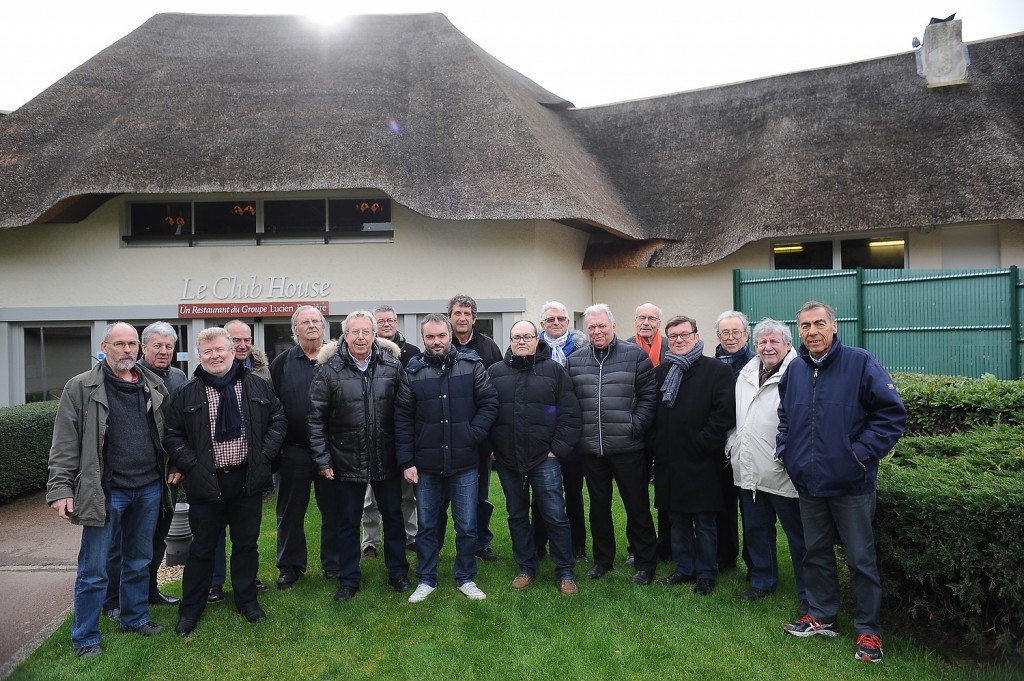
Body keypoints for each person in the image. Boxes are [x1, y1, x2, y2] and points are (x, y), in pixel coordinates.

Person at [778, 301, 907, 664]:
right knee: (815, 553)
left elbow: (891, 414)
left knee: (860, 559)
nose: (812, 331)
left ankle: (869, 631)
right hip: (809, 483)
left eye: (819, 323)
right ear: (799, 331)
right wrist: (787, 450)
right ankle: (821, 615)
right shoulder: (796, 370)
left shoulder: (860, 362)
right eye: (805, 325)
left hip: (852, 483)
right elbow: (785, 415)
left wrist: (859, 454)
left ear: (834, 327)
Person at [47, 322, 174, 658]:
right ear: (104, 347)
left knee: (138, 561)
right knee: (94, 569)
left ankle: (134, 618)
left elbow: (166, 436)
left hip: (148, 488)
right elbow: (64, 443)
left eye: (132, 344)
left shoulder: (152, 384)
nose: (128, 350)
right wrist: (60, 488)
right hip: (106, 491)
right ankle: (86, 638)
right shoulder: (82, 387)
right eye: (120, 344)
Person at [165, 327, 286, 637]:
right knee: (202, 549)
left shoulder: (257, 385)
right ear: (199, 356)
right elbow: (173, 434)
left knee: (246, 546)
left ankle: (247, 601)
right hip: (207, 482)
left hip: (247, 479)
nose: (215, 356)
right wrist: (192, 465)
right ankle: (190, 610)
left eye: (220, 349)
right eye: (208, 352)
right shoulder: (187, 393)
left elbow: (278, 421)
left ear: (233, 351)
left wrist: (265, 454)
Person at [308, 311, 413, 602]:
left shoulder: (392, 366)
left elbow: (404, 413)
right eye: (354, 332)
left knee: (393, 517)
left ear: (374, 334)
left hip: (386, 458)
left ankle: (398, 573)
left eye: (366, 331)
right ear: (345, 335)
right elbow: (316, 418)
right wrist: (323, 460)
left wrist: (405, 457)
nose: (360, 337)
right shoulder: (329, 370)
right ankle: (349, 579)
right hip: (345, 460)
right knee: (347, 522)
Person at [396, 313, 498, 603]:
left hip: (465, 462)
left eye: (441, 336)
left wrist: (472, 433)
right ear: (423, 339)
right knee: (427, 525)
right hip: (425, 466)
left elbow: (489, 403)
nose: (436, 342)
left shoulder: (471, 365)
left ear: (450, 335)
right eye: (430, 337)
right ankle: (426, 579)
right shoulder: (412, 372)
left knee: (466, 525)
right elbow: (402, 419)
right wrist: (407, 461)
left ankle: (465, 577)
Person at [566, 304, 658, 585]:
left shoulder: (635, 356)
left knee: (637, 506)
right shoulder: (576, 360)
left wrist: (634, 425)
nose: (597, 331)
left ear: (613, 326)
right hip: (591, 450)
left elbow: (648, 397)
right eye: (591, 327)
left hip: (628, 447)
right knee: (599, 507)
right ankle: (602, 560)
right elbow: (569, 404)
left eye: (602, 326)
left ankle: (645, 563)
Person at [488, 320, 582, 595]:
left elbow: (569, 413)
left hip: (545, 458)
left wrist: (557, 449)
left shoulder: (554, 371)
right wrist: (492, 447)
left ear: (536, 339)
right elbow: (485, 412)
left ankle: (564, 571)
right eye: (516, 337)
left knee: (555, 514)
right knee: (517, 515)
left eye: (527, 336)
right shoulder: (495, 372)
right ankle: (526, 567)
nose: (521, 341)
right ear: (510, 340)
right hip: (507, 458)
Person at [103, 322, 188, 621]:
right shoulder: (130, 376)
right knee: (120, 545)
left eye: (169, 346)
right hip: (128, 480)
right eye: (157, 346)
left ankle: (148, 589)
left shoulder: (178, 377)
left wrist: (178, 464)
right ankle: (113, 599)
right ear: (143, 347)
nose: (163, 351)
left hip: (165, 476)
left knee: (155, 538)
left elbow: (181, 428)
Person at [651, 316, 735, 596]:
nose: (678, 340)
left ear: (696, 336)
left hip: (702, 461)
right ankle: (684, 569)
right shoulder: (662, 372)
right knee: (677, 519)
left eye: (684, 334)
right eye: (673, 335)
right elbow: (655, 414)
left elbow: (724, 415)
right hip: (669, 460)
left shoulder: (716, 371)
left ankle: (707, 574)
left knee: (705, 521)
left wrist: (702, 444)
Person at [727, 318, 807, 611]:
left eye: (774, 341)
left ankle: (808, 593)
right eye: (762, 341)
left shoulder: (798, 372)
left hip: (784, 471)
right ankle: (762, 581)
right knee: (757, 531)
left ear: (787, 345)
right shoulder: (746, 372)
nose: (768, 347)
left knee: (799, 538)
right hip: (749, 469)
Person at [268, 306, 341, 591]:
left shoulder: (338, 360)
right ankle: (290, 566)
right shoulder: (282, 363)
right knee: (289, 512)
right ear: (294, 330)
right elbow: (272, 407)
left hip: (332, 451)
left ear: (324, 328)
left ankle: (334, 564)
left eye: (316, 321)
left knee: (334, 510)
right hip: (293, 452)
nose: (311, 326)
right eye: (304, 322)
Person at [208, 318, 272, 599]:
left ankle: (246, 580)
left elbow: (273, 418)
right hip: (214, 471)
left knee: (246, 533)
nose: (243, 345)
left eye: (247, 339)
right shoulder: (205, 378)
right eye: (236, 340)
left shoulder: (262, 374)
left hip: (249, 468)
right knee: (214, 531)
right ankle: (215, 580)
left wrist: (265, 455)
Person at [360, 304, 420, 560]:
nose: (386, 324)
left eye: (390, 320)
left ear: (397, 323)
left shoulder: (412, 353)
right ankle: (370, 543)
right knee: (369, 498)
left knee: (407, 493)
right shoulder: (363, 353)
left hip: (401, 432)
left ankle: (411, 537)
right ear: (374, 326)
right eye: (381, 321)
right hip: (369, 436)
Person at [447, 294, 502, 562]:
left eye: (467, 313)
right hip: (445, 435)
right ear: (449, 317)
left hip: (479, 436)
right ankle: (436, 545)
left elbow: (496, 395)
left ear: (474, 318)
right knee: (441, 498)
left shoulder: (489, 347)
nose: (462, 318)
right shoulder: (442, 344)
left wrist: (491, 439)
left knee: (480, 495)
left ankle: (482, 542)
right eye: (457, 313)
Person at [534, 301, 588, 561]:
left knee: (574, 492)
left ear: (568, 322)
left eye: (561, 319)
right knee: (541, 494)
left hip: (573, 432)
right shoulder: (533, 350)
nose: (556, 323)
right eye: (550, 319)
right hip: (541, 435)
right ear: (542, 324)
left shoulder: (581, 349)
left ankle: (577, 545)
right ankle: (538, 544)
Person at [627, 302, 671, 563]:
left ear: (659, 323)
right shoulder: (623, 347)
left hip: (666, 429)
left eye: (652, 318)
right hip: (636, 429)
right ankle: (637, 547)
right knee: (636, 494)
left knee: (666, 492)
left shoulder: (671, 345)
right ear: (635, 321)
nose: (646, 322)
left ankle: (667, 545)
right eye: (641, 317)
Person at [712, 310, 756, 573]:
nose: (731, 337)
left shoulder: (756, 362)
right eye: (725, 333)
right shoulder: (711, 364)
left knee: (751, 510)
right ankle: (725, 558)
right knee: (722, 505)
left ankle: (754, 564)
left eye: (736, 332)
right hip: (718, 446)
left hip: (747, 444)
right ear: (718, 335)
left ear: (746, 335)